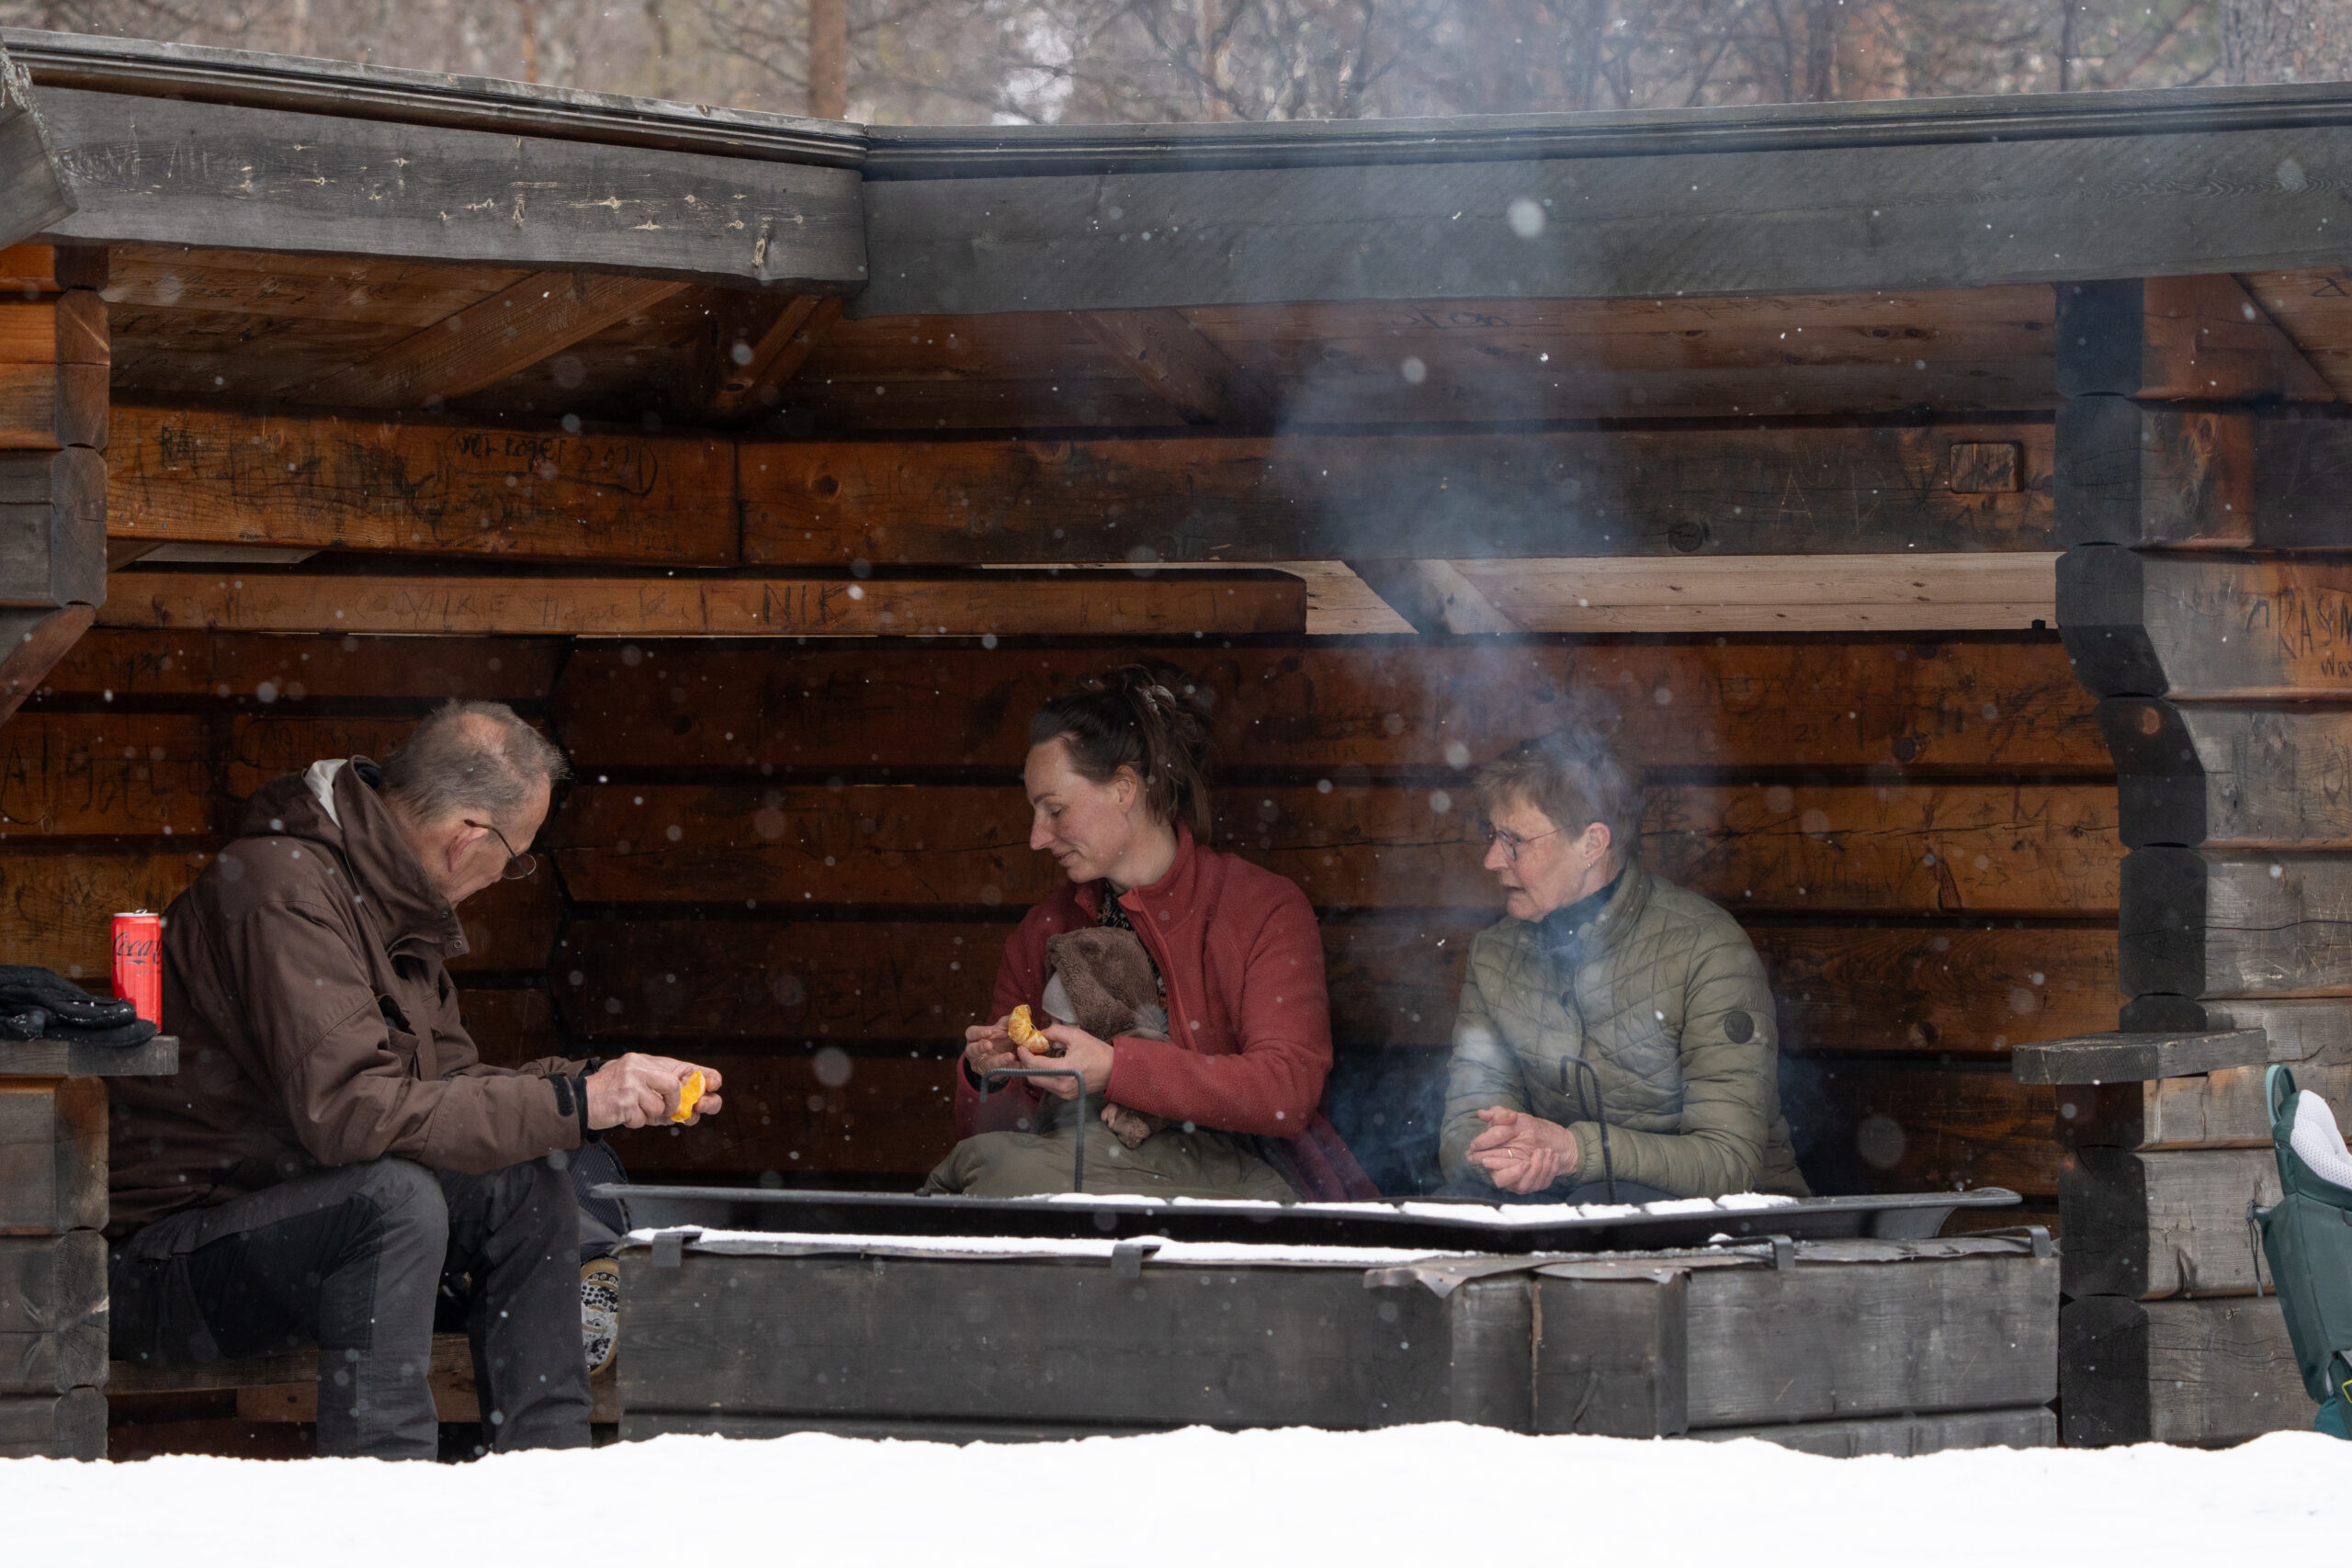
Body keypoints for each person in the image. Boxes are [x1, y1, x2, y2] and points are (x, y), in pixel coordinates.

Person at [106, 700, 724, 1460]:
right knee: (396, 1200)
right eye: (519, 854)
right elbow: (354, 1113)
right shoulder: (282, 890)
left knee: (523, 1179)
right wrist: (578, 1100)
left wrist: (597, 1084)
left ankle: (551, 1475)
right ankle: (389, 1499)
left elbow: (451, 1096)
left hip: (286, 1221)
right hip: (166, 1268)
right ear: (470, 837)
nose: (511, 874)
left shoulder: (389, 910)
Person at [924, 664, 1374, 1201]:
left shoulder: (1260, 905)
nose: (1037, 838)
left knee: (994, 1178)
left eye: (1055, 810)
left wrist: (1119, 1070)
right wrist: (986, 1077)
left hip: (1237, 1173)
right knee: (985, 1173)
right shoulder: (1043, 929)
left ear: (1123, 789)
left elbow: (1285, 1090)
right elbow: (996, 1139)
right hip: (1070, 1174)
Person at [1439, 725, 1807, 1203]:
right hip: (1564, 1210)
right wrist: (1503, 1156)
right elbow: (1465, 1126)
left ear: (1592, 844)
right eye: (1493, 835)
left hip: (1731, 1229)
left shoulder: (1708, 951)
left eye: (1515, 841)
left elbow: (1728, 1161)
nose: (1492, 859)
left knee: (1600, 1203)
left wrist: (1576, 1151)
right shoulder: (1495, 955)